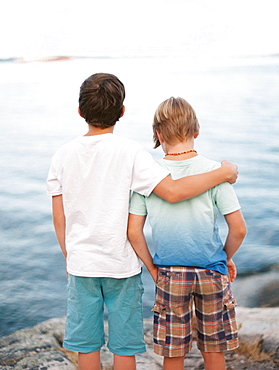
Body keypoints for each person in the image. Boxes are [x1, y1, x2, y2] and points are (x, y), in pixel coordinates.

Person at [47, 74, 238, 370]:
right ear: (122, 112)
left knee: (86, 347)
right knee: (125, 348)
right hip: (122, 267)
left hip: (81, 265)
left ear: (80, 111)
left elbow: (59, 217)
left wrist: (69, 256)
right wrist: (224, 174)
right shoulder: (131, 152)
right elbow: (173, 191)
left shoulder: (61, 155)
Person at [128, 97, 246, 370]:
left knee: (173, 353)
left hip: (170, 274)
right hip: (211, 273)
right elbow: (238, 228)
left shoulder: (149, 176)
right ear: (197, 130)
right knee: (214, 351)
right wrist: (223, 258)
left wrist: (153, 270)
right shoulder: (217, 174)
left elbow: (134, 232)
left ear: (158, 134)